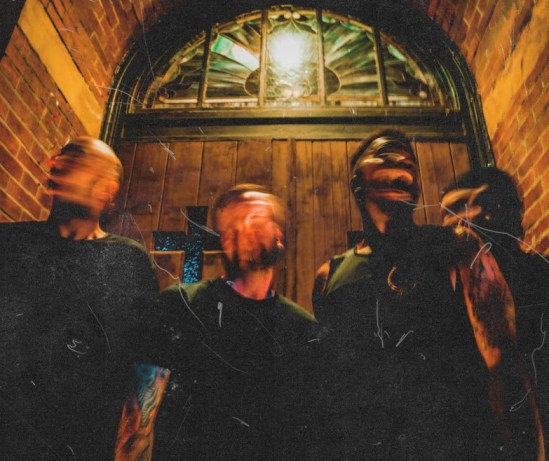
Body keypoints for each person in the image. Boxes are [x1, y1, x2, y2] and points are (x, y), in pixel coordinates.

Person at [312, 131, 543, 459]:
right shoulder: (328, 276)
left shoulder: (457, 245)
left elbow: (503, 362)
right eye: (385, 155)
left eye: (409, 161)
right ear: (357, 181)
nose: (401, 161)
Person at [0, 137, 160, 460]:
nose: (62, 164)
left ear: (107, 188)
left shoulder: (129, 261)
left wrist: (134, 449)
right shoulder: (8, 243)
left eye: (80, 161)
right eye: (63, 157)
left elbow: (148, 365)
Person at [152, 184, 320, 460]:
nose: (241, 230)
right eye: (230, 227)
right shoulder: (181, 305)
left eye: (254, 220)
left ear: (278, 235)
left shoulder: (303, 330)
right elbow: (139, 411)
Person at [441, 166, 549, 449]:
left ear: (500, 209)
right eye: (446, 213)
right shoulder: (444, 297)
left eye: (463, 207)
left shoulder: (540, 277)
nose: (452, 223)